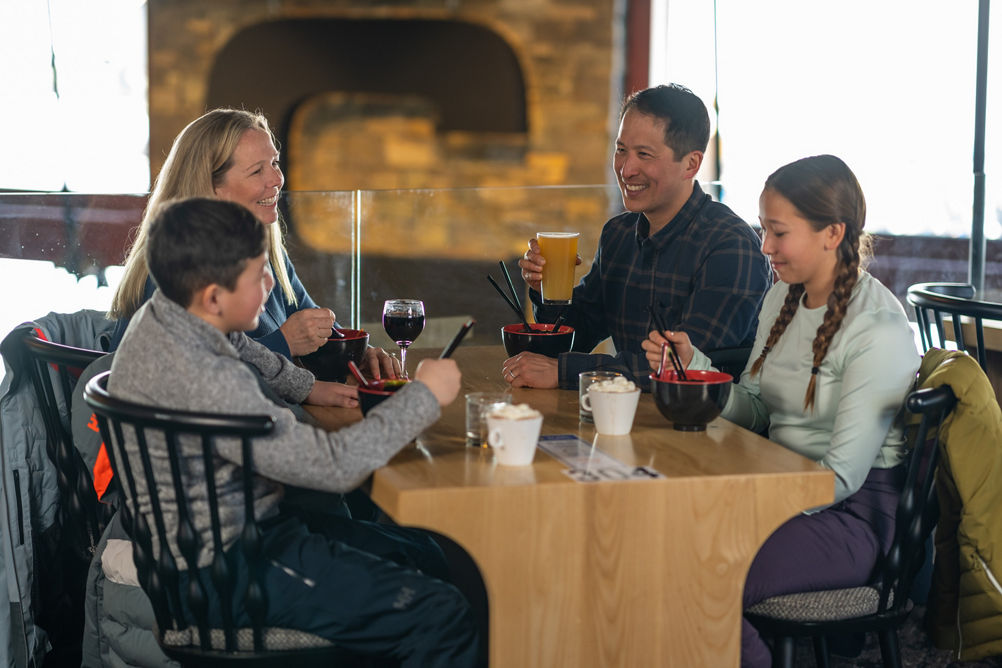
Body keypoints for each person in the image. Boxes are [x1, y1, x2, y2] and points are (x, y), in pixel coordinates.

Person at [108, 197, 479, 667]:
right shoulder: (207, 378)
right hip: (230, 572)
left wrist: (313, 388)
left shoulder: (170, 314)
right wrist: (424, 397)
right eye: (258, 275)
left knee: (428, 553)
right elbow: (332, 466)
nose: (271, 285)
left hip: (224, 545)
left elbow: (251, 349)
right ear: (214, 297)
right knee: (440, 613)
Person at [642, 155, 920, 667]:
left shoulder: (877, 330)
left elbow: (838, 477)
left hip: (849, 517)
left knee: (702, 574)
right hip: (781, 491)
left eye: (778, 232)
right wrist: (694, 368)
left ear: (832, 233)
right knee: (658, 544)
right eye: (763, 229)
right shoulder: (781, 299)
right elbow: (753, 405)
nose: (764, 246)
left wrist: (747, 502)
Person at [506, 83, 770, 389]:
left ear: (691, 164)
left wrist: (563, 371)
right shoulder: (618, 234)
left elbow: (681, 365)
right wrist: (546, 288)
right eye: (621, 150)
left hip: (709, 426)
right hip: (626, 413)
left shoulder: (731, 245)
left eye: (644, 155)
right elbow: (578, 333)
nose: (626, 169)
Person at [108, 108, 396, 378]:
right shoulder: (171, 271)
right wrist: (284, 342)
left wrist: (357, 354)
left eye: (274, 163)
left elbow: (318, 330)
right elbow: (189, 378)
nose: (277, 179)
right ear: (212, 187)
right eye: (257, 171)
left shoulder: (267, 254)